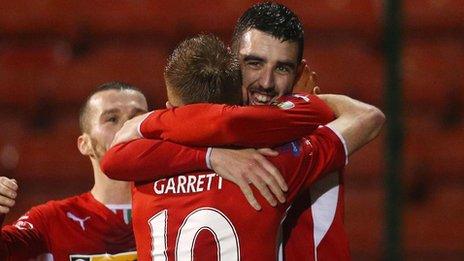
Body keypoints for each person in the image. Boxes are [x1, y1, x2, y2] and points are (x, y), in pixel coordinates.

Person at [101, 34, 385, 260]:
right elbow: (367, 117)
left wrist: (174, 133)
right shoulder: (270, 167)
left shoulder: (143, 171)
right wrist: (306, 101)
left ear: (170, 108)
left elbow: (115, 158)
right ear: (235, 101)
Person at [0, 82, 148, 260]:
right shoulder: (52, 220)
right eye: (112, 119)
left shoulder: (176, 208)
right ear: (84, 144)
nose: (128, 127)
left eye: (138, 117)